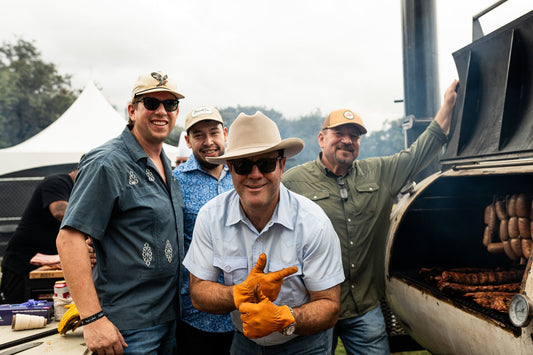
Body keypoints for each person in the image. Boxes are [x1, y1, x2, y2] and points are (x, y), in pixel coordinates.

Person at [282, 79, 460, 355]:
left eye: (354, 136)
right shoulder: (293, 182)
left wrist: (448, 104)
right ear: (322, 138)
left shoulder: (379, 172)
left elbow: (421, 151)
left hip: (364, 306)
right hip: (313, 305)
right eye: (339, 132)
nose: (347, 140)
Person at [183, 111, 345, 354]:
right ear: (230, 167)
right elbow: (198, 291)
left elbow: (330, 305)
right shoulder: (211, 216)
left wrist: (284, 318)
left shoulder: (313, 222)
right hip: (245, 342)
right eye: (243, 164)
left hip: (303, 344)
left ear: (281, 165)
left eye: (266, 163)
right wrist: (240, 293)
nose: (255, 174)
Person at [56, 70, 185, 355]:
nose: (161, 111)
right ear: (132, 110)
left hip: (170, 319)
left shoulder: (165, 163)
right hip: (128, 328)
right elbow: (69, 239)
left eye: (170, 104)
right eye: (151, 103)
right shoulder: (108, 162)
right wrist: (92, 319)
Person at [172, 106, 234, 354]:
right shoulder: (175, 182)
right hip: (196, 314)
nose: (208, 142)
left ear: (225, 134)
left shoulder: (244, 174)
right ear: (187, 141)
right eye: (198, 135)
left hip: (245, 312)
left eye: (214, 133)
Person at [0, 168, 78, 304]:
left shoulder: (77, 191)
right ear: (81, 170)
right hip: (22, 263)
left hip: (46, 263)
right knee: (16, 310)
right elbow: (59, 211)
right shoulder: (57, 181)